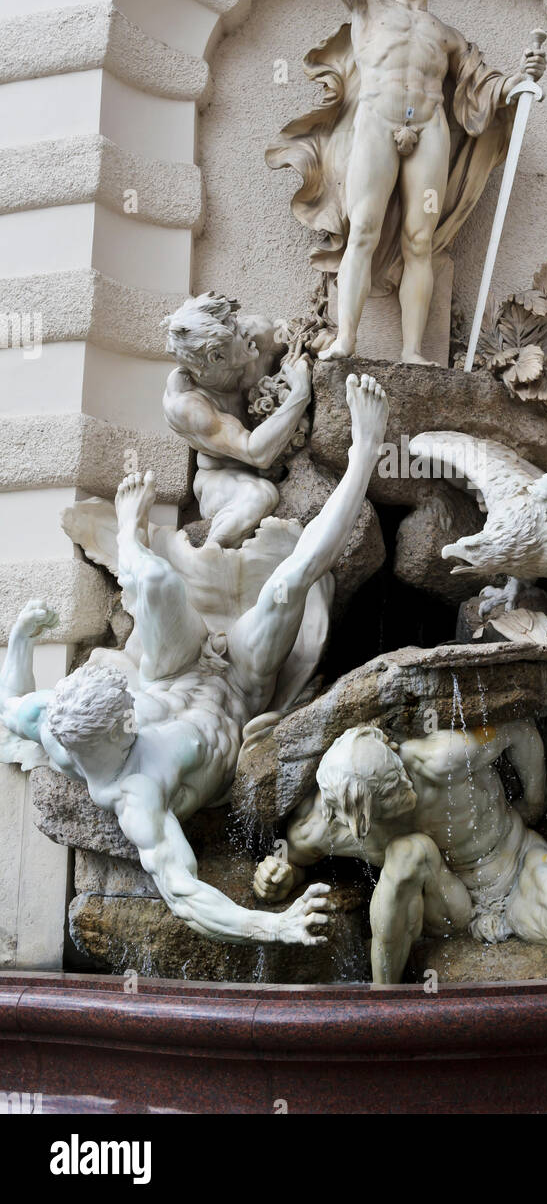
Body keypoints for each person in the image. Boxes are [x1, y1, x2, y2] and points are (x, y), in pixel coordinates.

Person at [0, 374, 390, 948]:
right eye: (122, 710)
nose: (126, 703)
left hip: (174, 670)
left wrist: (20, 641)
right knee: (288, 588)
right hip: (243, 690)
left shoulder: (56, 720)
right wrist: (273, 926)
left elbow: (9, 707)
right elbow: (185, 896)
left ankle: (133, 544)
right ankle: (364, 456)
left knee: (156, 578)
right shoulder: (140, 797)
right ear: (114, 734)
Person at [268, 0, 546, 365]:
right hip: (375, 121)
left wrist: (524, 77)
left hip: (430, 129)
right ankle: (346, 340)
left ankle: (414, 352)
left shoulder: (446, 35)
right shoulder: (367, 7)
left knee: (423, 240)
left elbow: (484, 86)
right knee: (363, 230)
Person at [254, 719, 547, 981]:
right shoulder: (334, 823)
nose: (401, 798)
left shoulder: (443, 758)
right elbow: (289, 855)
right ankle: (384, 1004)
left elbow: (520, 731)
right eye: (381, 806)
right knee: (408, 852)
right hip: (451, 907)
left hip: (517, 870)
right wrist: (276, 873)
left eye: (394, 788)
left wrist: (534, 801)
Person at [163, 292, 311, 547]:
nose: (244, 328)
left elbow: (301, 338)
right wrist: (300, 395)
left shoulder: (258, 334)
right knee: (259, 496)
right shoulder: (188, 404)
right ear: (216, 357)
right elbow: (257, 453)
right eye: (234, 328)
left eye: (235, 319)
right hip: (225, 478)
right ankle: (208, 564)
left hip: (282, 461)